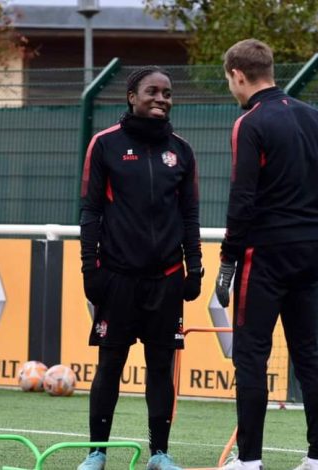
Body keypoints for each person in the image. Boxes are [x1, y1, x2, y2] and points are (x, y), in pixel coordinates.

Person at [214, 39, 318, 470]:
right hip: (311, 246)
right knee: (307, 351)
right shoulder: (316, 116)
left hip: (266, 251)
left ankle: (249, 461)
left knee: (251, 354)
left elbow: (242, 200)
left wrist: (227, 260)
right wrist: (316, 214)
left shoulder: (250, 122)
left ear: (238, 74)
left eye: (230, 81)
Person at [77, 66, 203, 470]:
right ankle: (97, 452)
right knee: (110, 365)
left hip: (166, 279)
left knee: (161, 368)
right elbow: (91, 211)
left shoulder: (181, 151)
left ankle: (159, 454)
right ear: (132, 96)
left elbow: (189, 215)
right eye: (152, 91)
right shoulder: (104, 145)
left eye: (167, 93)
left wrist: (195, 266)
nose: (161, 98)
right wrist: (89, 269)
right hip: (117, 277)